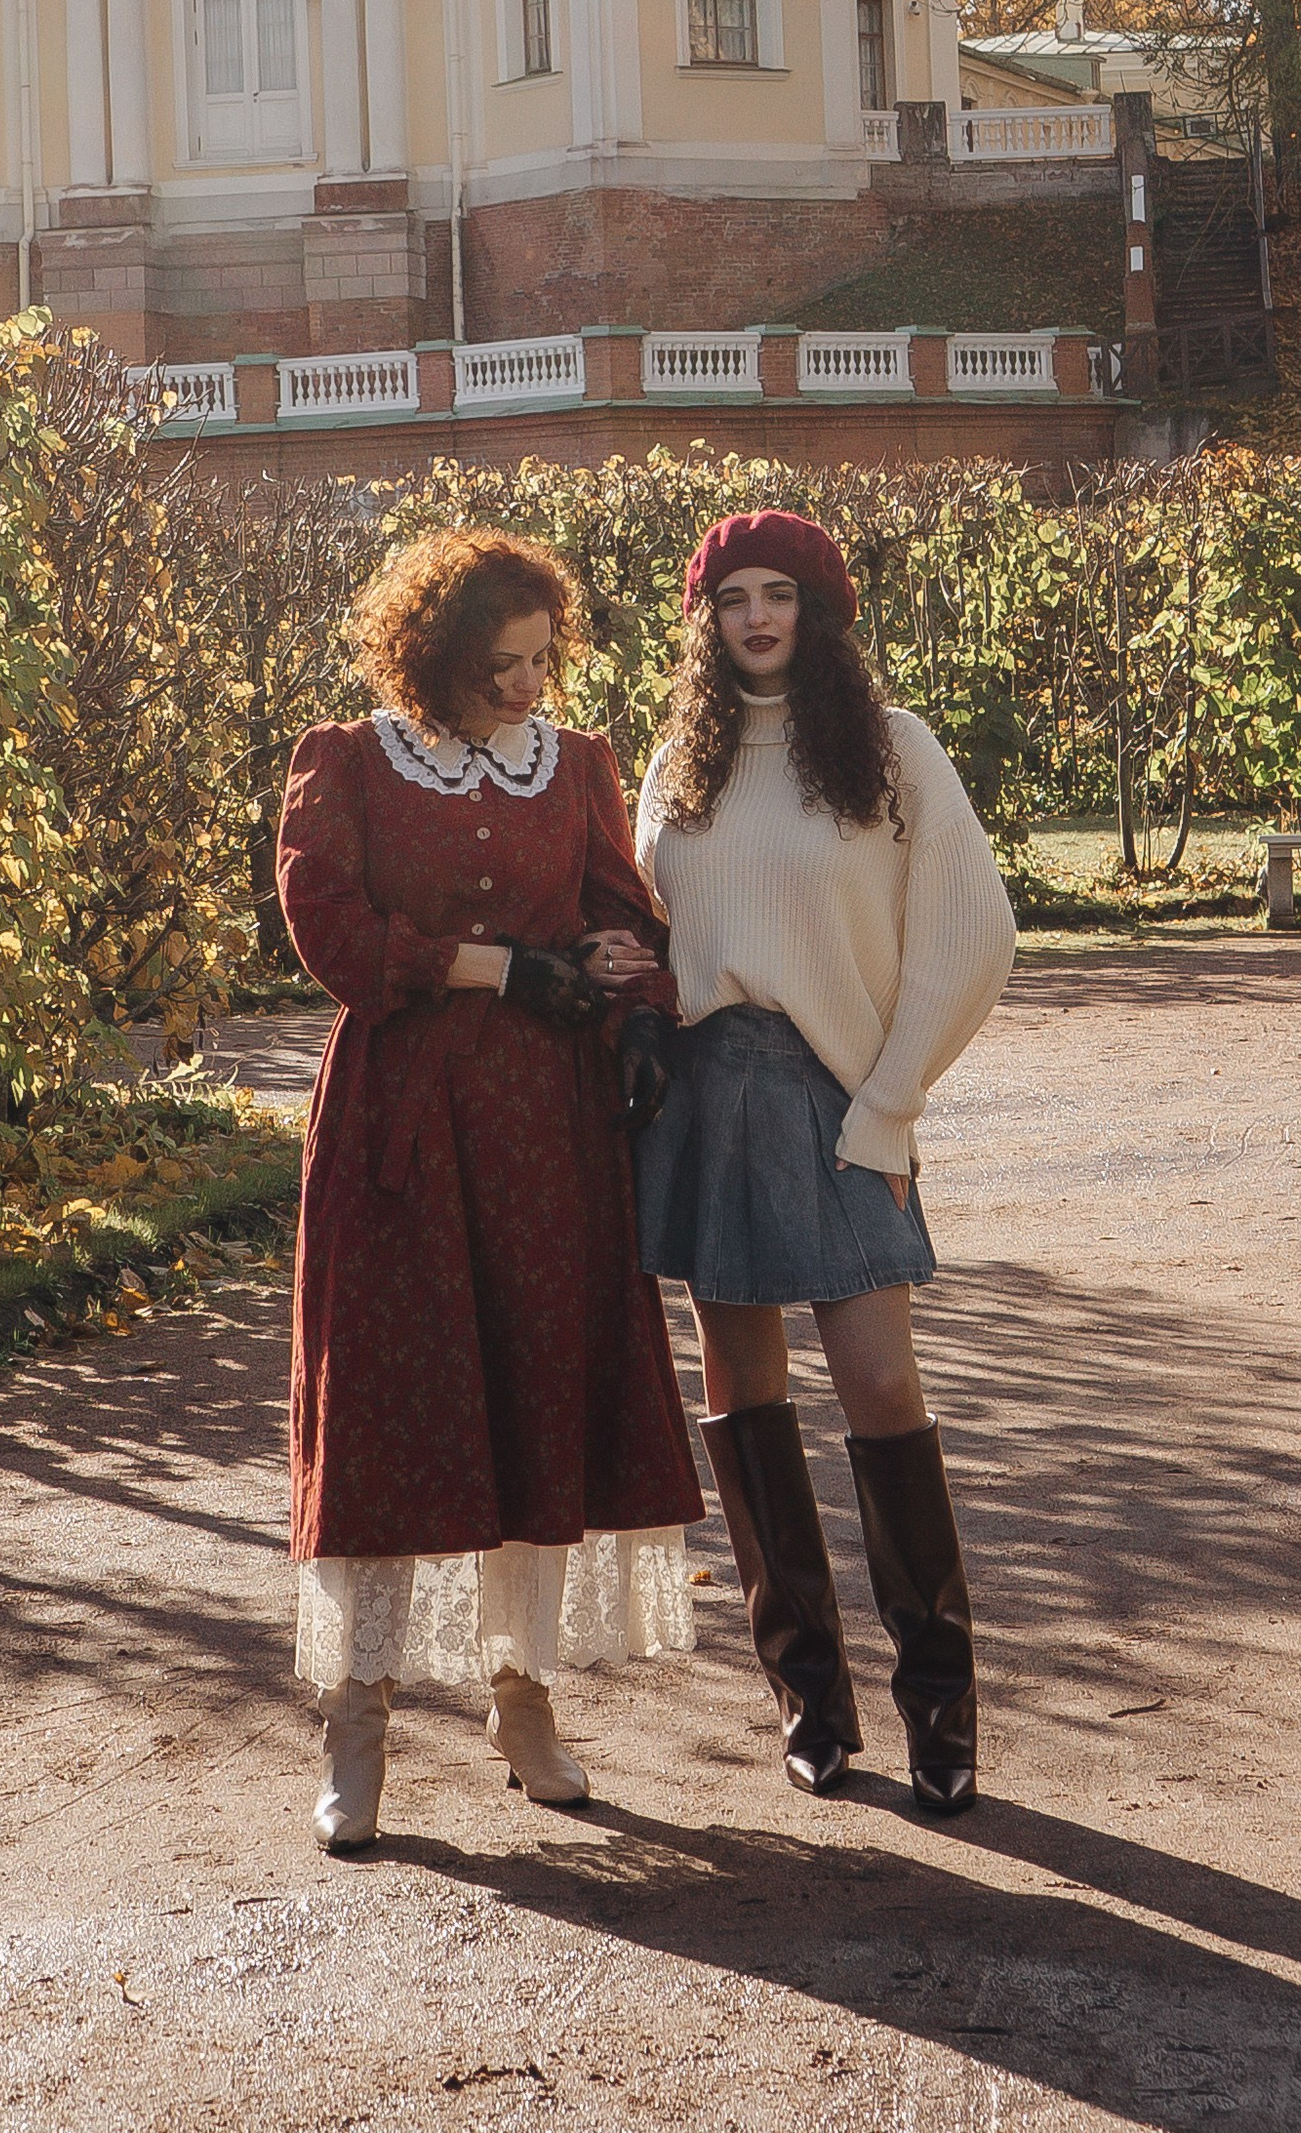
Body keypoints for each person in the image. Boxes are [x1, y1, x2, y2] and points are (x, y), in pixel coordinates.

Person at [277, 526, 701, 1854]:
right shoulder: (344, 763)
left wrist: (633, 993)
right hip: (400, 1122)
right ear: (433, 656)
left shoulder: (573, 764)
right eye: (500, 665)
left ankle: (525, 1708)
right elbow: (331, 932)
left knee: (534, 1400)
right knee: (390, 1409)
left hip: (541, 1132)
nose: (528, 687)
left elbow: (620, 914)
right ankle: (359, 1726)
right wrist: (493, 968)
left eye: (540, 660)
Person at [629, 507, 1016, 1812]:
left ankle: (941, 1709)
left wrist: (892, 1107)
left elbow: (975, 933)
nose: (754, 616)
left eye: (777, 592)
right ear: (705, 619)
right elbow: (650, 925)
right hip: (705, 1099)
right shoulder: (679, 763)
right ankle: (808, 1696)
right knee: (742, 1389)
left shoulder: (891, 752)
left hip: (840, 1099)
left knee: (880, 1383)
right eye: (730, 596)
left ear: (820, 609)